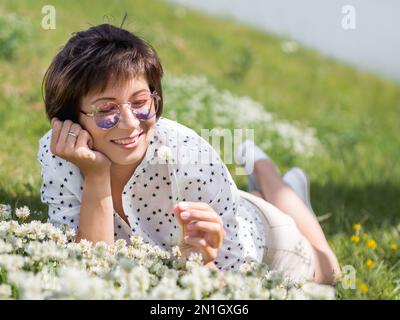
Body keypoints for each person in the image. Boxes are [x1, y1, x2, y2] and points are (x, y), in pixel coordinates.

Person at [37, 23, 340, 284]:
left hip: (260, 242)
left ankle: (268, 174)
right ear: (70, 120)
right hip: (224, 202)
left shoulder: (191, 159)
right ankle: (262, 188)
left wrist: (205, 264)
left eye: (140, 102)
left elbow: (223, 292)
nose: (130, 124)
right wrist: (96, 174)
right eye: (106, 109)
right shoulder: (59, 155)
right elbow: (90, 276)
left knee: (329, 275)